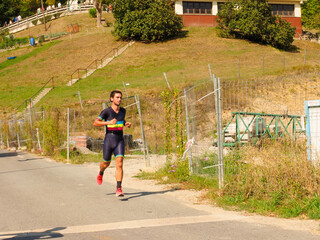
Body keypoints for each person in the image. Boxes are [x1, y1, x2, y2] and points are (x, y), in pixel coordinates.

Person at [93, 90, 131, 197]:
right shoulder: (106, 112)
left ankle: (119, 188)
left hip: (119, 140)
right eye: (117, 97)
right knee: (106, 163)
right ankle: (101, 172)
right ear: (111, 99)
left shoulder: (123, 111)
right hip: (109, 139)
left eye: (120, 97)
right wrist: (108, 122)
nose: (119, 99)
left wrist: (125, 123)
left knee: (119, 163)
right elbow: (95, 123)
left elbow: (120, 121)